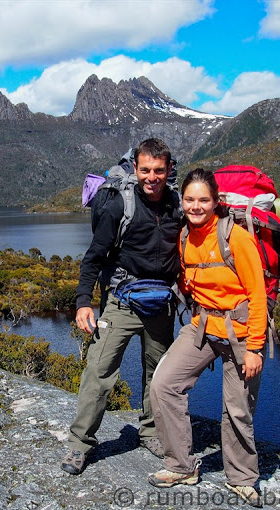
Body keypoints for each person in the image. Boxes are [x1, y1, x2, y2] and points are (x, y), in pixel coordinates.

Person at [147, 168, 268, 507]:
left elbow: (257, 295)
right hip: (202, 326)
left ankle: (242, 478)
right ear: (182, 201)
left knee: (237, 409)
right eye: (189, 200)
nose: (195, 206)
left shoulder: (235, 238)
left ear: (216, 201)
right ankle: (180, 466)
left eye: (203, 200)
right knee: (163, 384)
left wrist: (255, 348)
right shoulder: (185, 236)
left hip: (241, 333)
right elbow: (187, 283)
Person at [61, 138, 182, 475]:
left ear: (169, 170)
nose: (152, 177)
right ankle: (80, 445)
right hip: (121, 302)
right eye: (146, 170)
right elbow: (94, 255)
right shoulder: (120, 204)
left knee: (158, 374)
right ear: (136, 168)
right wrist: (83, 302)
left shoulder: (177, 204)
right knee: (99, 371)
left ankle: (151, 432)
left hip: (161, 304)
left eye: (159, 170)